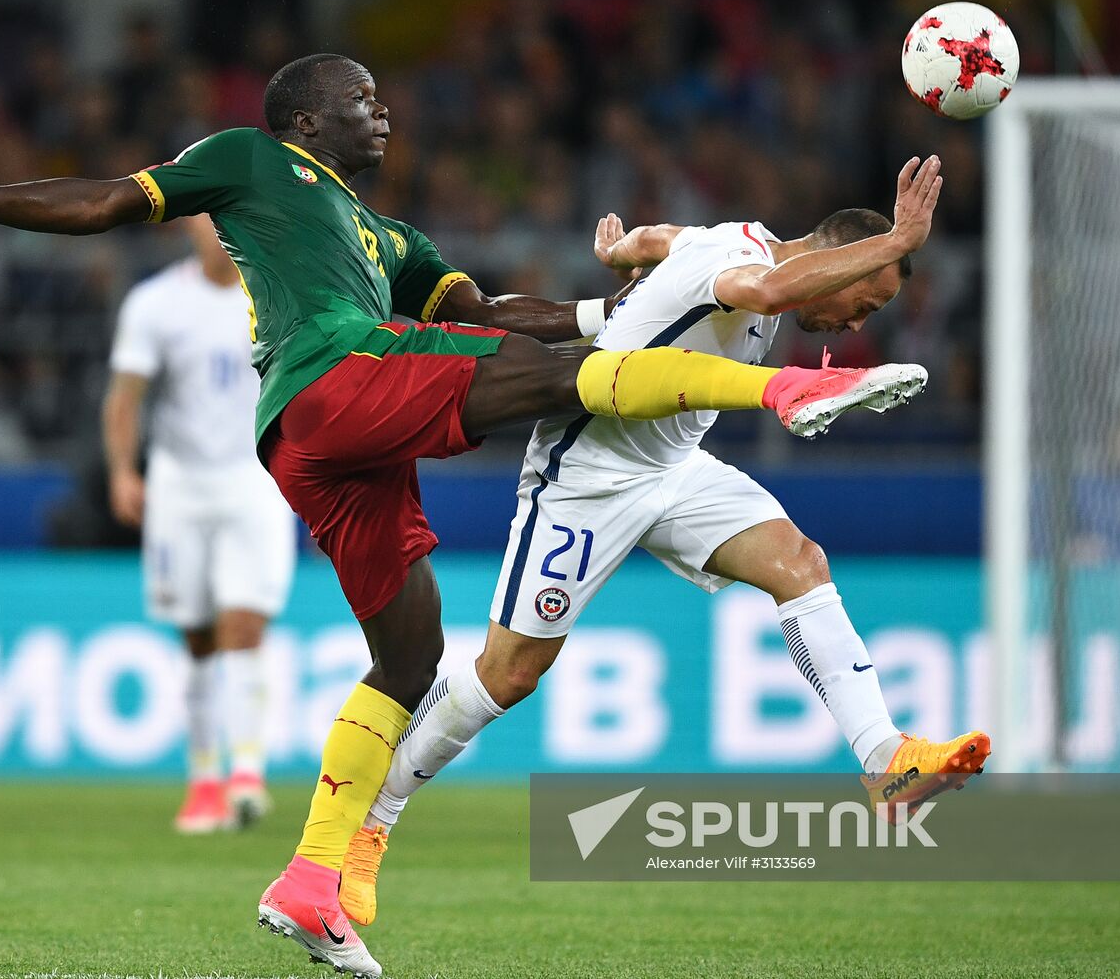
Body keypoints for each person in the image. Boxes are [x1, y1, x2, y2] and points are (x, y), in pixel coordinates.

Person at [0, 53, 934, 979]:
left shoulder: (385, 235)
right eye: (364, 99)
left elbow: (500, 314)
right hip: (331, 379)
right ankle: (783, 393)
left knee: (410, 659)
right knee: (565, 378)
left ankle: (312, 878)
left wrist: (626, 300)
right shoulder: (250, 158)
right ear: (308, 117)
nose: (385, 112)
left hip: (335, 449)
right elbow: (98, 203)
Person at [349, 183, 990, 930]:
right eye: (864, 301)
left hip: (676, 467)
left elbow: (665, 239)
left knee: (800, 563)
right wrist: (899, 240)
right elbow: (768, 285)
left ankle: (886, 760)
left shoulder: (724, 238)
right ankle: (372, 821)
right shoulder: (744, 261)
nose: (856, 322)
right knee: (509, 672)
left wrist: (625, 249)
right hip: (587, 473)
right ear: (838, 263)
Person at [104, 214, 297, 833]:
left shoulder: (278, 296)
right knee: (196, 635)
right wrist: (122, 472)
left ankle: (245, 773)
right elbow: (125, 395)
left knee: (244, 622)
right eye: (207, 218)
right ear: (187, 224)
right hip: (179, 484)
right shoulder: (156, 302)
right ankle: (203, 778)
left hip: (255, 478)